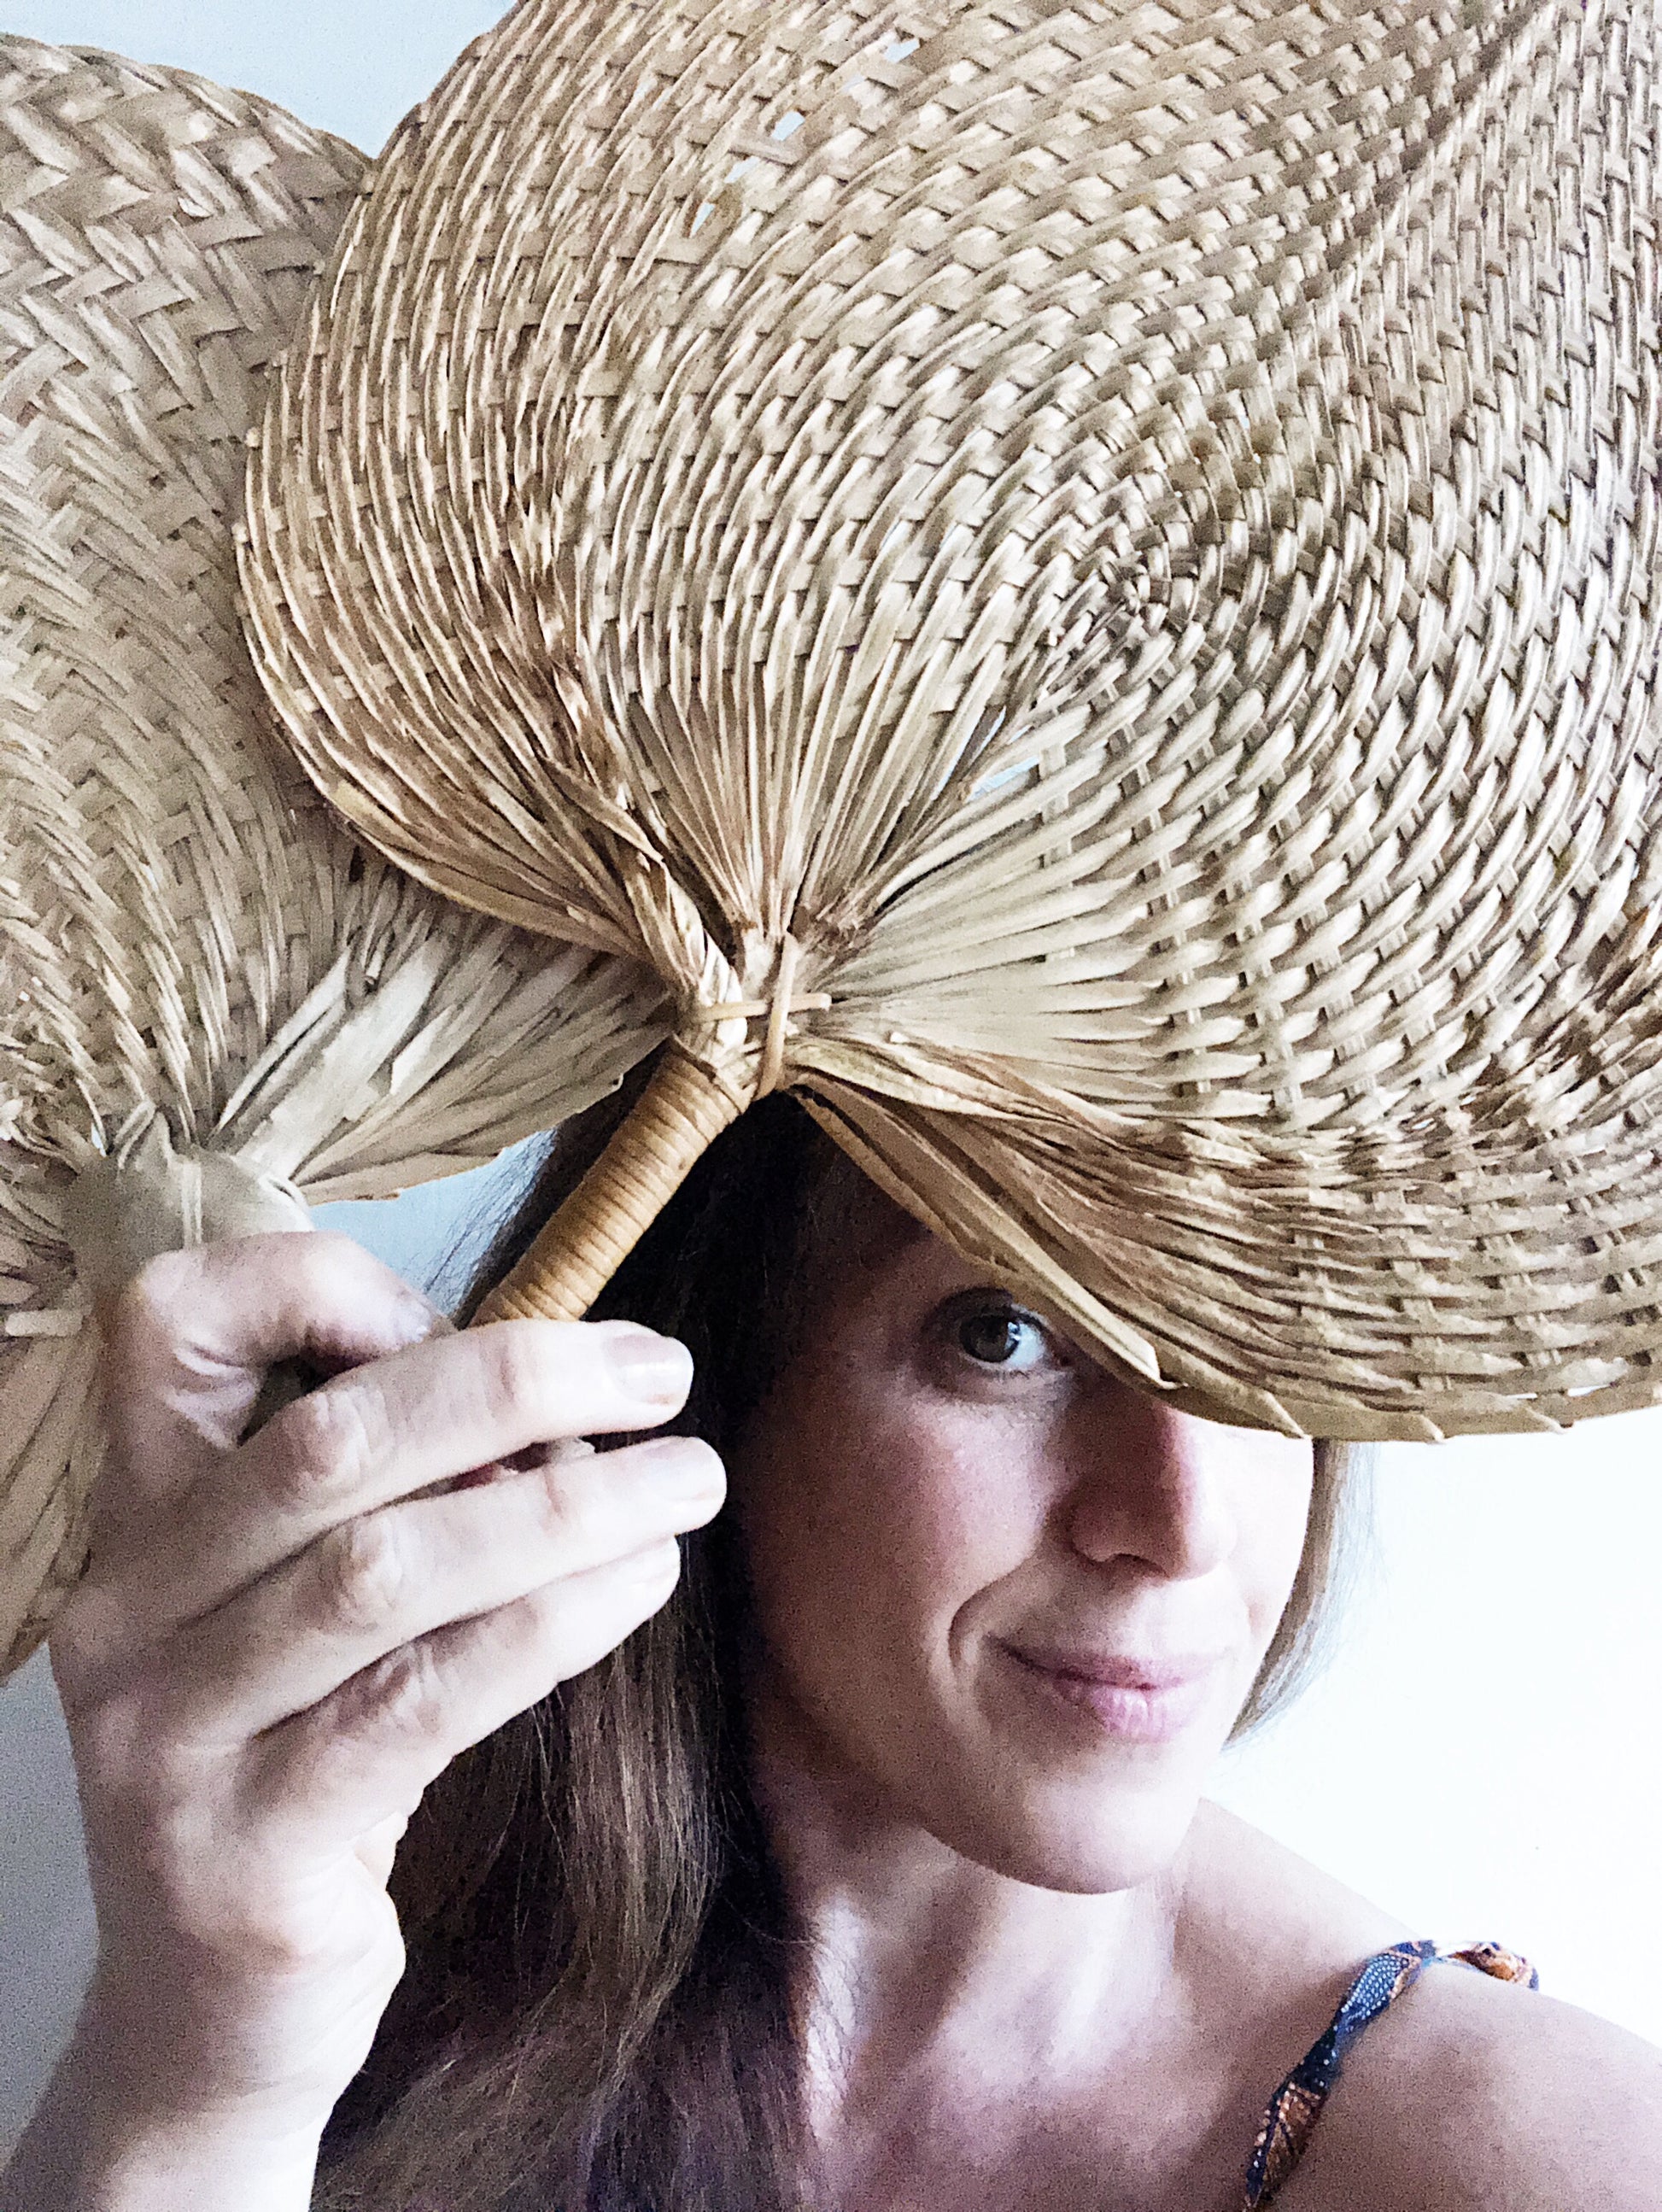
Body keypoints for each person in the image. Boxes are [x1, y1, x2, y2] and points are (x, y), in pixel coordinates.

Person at [2, 1087, 1659, 2212]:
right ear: (707, 1371)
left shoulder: (1535, 2161)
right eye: (1004, 1330)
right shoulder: (349, 1930)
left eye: (1255, 1327)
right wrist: (205, 2076)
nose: (1181, 1516)